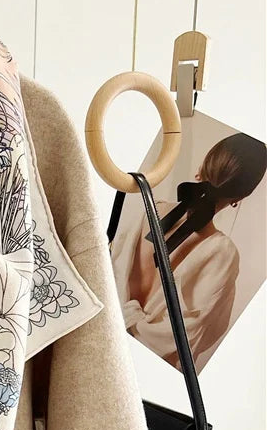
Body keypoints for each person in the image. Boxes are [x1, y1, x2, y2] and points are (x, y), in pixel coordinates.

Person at [111, 132, 267, 371]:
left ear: (201, 168)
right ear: (241, 196)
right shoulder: (223, 254)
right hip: (142, 370)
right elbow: (193, 336)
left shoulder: (149, 211)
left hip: (101, 332)